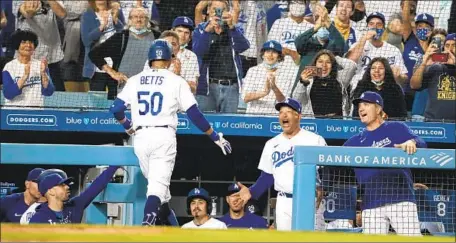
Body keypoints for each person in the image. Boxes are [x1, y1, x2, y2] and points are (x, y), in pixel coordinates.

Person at [109, 39, 232, 226]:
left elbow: (116, 108)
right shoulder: (176, 81)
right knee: (157, 190)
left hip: (140, 139)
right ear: (169, 59)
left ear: (150, 59)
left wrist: (128, 126)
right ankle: (147, 224)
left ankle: (175, 231)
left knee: (161, 193)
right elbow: (194, 114)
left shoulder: (134, 80)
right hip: (163, 137)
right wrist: (215, 136)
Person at [234, 98, 327, 231]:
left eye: (288, 112)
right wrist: (252, 191)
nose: (283, 115)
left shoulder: (314, 140)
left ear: (298, 116)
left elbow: (327, 170)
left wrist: (322, 187)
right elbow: (267, 176)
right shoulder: (272, 144)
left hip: (309, 199)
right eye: (281, 112)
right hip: (283, 201)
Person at [343, 91, 426, 236]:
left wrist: (412, 142)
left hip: (401, 200)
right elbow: (333, 165)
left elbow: (422, 143)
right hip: (371, 204)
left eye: (366, 104)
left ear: (378, 108)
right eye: (359, 106)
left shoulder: (396, 128)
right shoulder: (354, 142)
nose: (361, 109)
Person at [29, 166, 119, 224]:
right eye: (62, 185)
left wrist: (114, 166)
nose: (67, 187)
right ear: (51, 192)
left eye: (66, 184)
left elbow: (96, 186)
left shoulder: (74, 206)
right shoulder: (38, 219)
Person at [2, 30, 55, 107]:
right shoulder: (9, 67)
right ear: (17, 45)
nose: (28, 45)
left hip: (36, 112)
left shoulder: (40, 65)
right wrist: (25, 76)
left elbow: (49, 92)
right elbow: (8, 94)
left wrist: (44, 74)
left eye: (31, 42)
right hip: (14, 112)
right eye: (24, 42)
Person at [241, 40, 296, 115]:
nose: (270, 55)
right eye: (267, 52)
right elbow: (245, 98)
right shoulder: (253, 71)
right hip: (254, 116)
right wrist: (264, 92)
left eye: (274, 52)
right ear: (263, 55)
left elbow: (284, 101)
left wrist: (274, 87)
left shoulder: (286, 74)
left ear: (279, 56)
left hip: (275, 117)